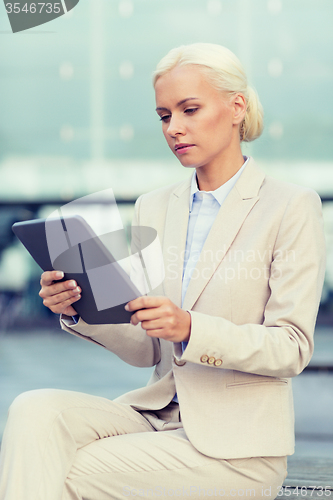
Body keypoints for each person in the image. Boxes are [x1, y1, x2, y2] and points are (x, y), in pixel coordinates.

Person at [0, 43, 326, 500]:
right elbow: (146, 350)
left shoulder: (291, 206)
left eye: (189, 109)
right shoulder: (154, 206)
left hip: (236, 450)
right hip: (154, 416)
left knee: (57, 467)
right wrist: (80, 309)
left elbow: (291, 347)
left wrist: (191, 328)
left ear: (237, 107)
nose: (174, 128)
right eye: (164, 115)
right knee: (33, 410)